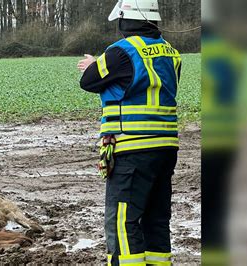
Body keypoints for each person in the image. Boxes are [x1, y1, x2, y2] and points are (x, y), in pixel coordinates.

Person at [77, 1, 181, 265]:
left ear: (125, 20)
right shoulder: (171, 52)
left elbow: (88, 81)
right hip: (166, 148)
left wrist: (95, 62)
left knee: (123, 220)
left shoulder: (121, 52)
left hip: (133, 148)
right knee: (156, 218)